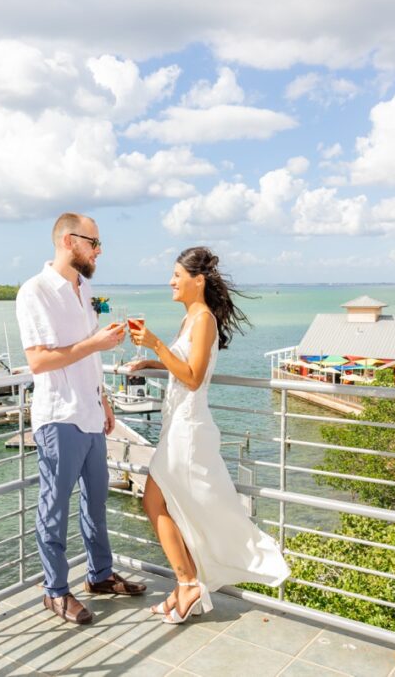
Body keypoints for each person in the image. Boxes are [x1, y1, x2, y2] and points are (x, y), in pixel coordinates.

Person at [128, 247, 289, 624]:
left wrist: (154, 344)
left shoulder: (202, 320)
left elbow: (194, 377)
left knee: (156, 503)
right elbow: (183, 365)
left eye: (176, 275)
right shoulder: (191, 320)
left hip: (187, 430)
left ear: (197, 281)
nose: (171, 281)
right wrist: (154, 361)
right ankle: (187, 584)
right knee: (172, 507)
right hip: (178, 425)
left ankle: (188, 583)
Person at [15, 212, 147, 625]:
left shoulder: (85, 288)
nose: (99, 251)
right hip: (58, 416)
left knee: (96, 501)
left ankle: (100, 575)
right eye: (94, 243)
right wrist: (95, 342)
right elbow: (38, 361)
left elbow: (89, 357)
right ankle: (54, 591)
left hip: (91, 413)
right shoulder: (34, 291)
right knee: (53, 507)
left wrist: (104, 399)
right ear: (70, 241)